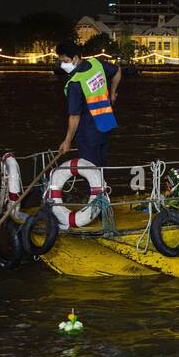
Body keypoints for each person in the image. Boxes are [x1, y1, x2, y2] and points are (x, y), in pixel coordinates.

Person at [48, 39, 121, 229]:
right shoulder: (97, 64)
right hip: (105, 125)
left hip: (88, 133)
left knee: (92, 174)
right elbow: (117, 71)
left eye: (64, 59)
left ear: (75, 58)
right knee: (102, 169)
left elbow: (74, 116)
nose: (62, 63)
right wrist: (112, 93)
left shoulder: (75, 83)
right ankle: (105, 207)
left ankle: (97, 214)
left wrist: (67, 141)